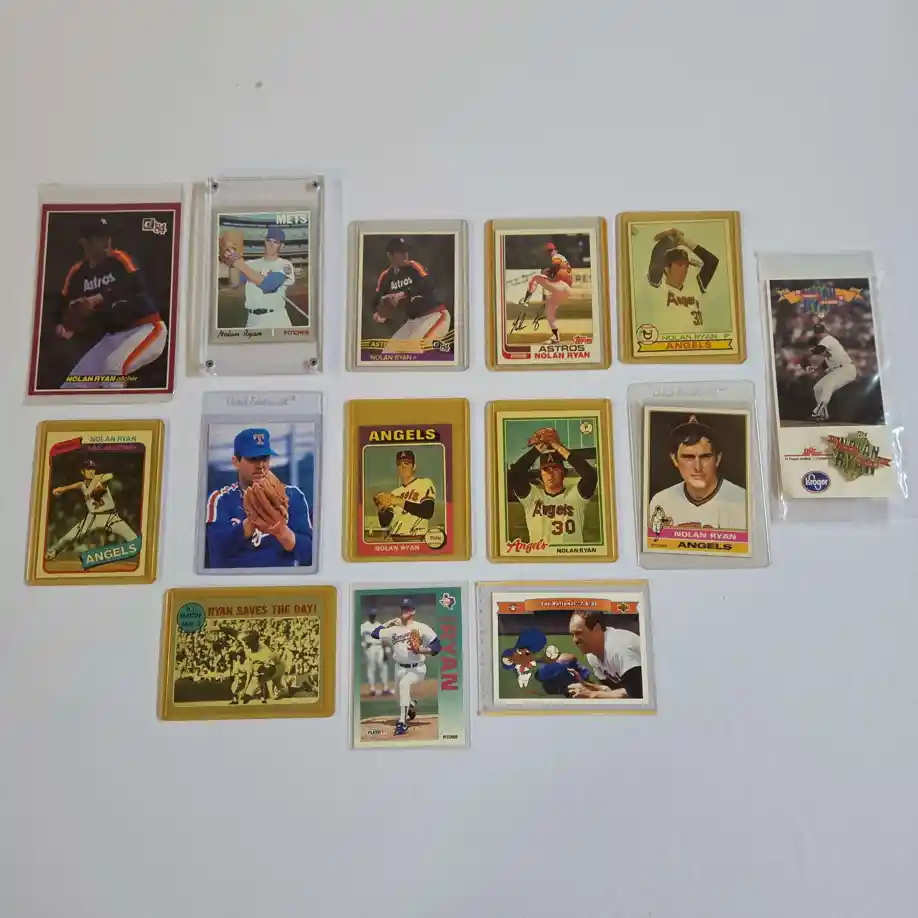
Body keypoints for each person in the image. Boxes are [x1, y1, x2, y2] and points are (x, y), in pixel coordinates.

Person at [56, 216, 168, 389]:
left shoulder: (120, 259)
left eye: (107, 236)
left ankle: (118, 407)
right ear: (84, 241)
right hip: (113, 337)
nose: (106, 242)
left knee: (113, 368)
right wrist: (67, 323)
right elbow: (65, 305)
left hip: (146, 328)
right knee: (73, 384)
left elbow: (135, 287)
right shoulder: (78, 273)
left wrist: (98, 298)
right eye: (99, 238)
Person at [205, 428, 313, 568]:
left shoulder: (292, 496)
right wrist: (250, 524)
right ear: (236, 462)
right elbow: (216, 552)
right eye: (253, 459)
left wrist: (282, 532)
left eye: (264, 458)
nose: (260, 465)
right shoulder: (220, 500)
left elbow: (310, 554)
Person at [647, 415, 747, 531]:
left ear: (718, 459)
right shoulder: (661, 501)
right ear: (674, 459)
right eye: (688, 457)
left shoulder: (744, 502)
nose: (697, 467)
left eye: (705, 457)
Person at [507, 428, 597, 545]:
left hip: (570, 555)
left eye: (555, 469)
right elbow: (515, 473)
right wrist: (537, 450)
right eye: (546, 469)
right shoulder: (532, 496)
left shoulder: (575, 496)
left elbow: (591, 475)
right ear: (541, 474)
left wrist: (559, 448)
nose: (550, 473)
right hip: (540, 555)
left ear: (563, 473)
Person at [371, 598, 441, 736]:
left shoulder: (421, 627)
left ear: (413, 611)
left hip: (417, 668)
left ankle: (402, 722)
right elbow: (375, 634)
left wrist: (420, 650)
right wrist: (389, 623)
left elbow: (437, 646)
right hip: (399, 669)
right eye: (403, 608)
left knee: (404, 684)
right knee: (399, 696)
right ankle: (410, 705)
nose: (405, 610)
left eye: (408, 608)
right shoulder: (393, 630)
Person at [45, 457, 138, 560]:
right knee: (68, 537)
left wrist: (104, 479)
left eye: (93, 469)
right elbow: (77, 485)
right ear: (82, 471)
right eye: (88, 469)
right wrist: (62, 489)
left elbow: (109, 476)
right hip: (92, 518)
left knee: (133, 539)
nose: (91, 471)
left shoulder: (98, 478)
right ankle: (53, 552)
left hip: (110, 517)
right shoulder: (83, 485)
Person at [372, 237, 451, 354]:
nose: (405, 255)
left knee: (414, 348)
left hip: (435, 316)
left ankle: (444, 351)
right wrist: (377, 312)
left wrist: (403, 294)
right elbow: (377, 298)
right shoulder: (385, 277)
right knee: (388, 354)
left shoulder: (414, 267)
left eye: (406, 251)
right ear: (390, 255)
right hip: (413, 322)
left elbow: (428, 285)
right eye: (400, 252)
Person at [646, 226, 719, 332]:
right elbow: (657, 254)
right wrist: (671, 236)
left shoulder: (695, 285)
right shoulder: (658, 285)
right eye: (680, 265)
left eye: (686, 266)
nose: (684, 270)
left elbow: (712, 262)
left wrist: (686, 242)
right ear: (666, 268)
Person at [223, 226, 297, 329]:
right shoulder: (251, 264)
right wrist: (232, 262)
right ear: (264, 242)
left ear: (282, 246)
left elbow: (269, 285)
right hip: (252, 320)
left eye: (275, 242)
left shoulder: (285, 265)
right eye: (268, 240)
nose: (271, 245)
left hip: (276, 319)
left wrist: (239, 263)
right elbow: (234, 283)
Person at [567, 611, 643, 699]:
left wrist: (593, 695)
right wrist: (586, 686)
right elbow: (611, 690)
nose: (575, 640)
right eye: (573, 635)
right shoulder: (592, 656)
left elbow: (638, 693)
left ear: (597, 628)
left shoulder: (619, 648)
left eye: (578, 633)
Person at [372, 449, 436, 540]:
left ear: (414, 467)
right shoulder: (395, 492)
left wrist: (399, 501)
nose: (403, 467)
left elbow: (428, 512)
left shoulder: (424, 483)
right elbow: (385, 523)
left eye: (406, 463)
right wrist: (381, 507)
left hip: (416, 539)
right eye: (399, 464)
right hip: (395, 540)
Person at [518, 241, 573, 344]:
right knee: (549, 312)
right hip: (563, 290)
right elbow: (556, 272)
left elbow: (556, 266)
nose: (550, 252)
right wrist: (548, 272)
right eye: (548, 251)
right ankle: (556, 337)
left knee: (535, 278)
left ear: (556, 250)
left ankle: (526, 301)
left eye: (551, 250)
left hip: (562, 285)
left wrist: (547, 271)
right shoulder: (560, 259)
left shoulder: (558, 256)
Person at [803, 323, 857, 421]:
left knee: (828, 385)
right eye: (817, 332)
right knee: (817, 388)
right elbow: (825, 361)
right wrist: (815, 368)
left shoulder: (828, 339)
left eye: (820, 332)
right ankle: (823, 415)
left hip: (846, 369)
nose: (819, 334)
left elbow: (820, 349)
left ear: (825, 331)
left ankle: (817, 411)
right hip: (837, 370)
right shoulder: (825, 343)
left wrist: (809, 353)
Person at [360, 609, 392, 696]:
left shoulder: (379, 625)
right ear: (368, 616)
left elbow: (385, 639)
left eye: (374, 615)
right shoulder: (364, 626)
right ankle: (372, 688)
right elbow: (358, 638)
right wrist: (363, 644)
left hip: (380, 647)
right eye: (371, 615)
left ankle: (385, 688)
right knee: (371, 667)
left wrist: (386, 650)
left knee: (383, 666)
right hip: (370, 648)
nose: (373, 616)